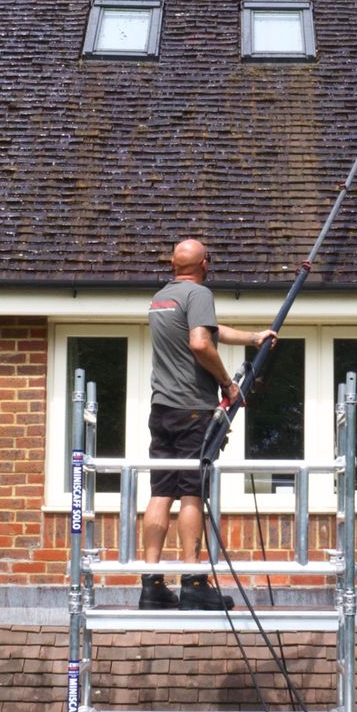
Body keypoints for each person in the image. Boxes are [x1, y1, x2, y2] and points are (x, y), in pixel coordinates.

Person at [140, 238, 275, 610]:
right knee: (192, 494)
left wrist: (252, 337)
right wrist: (227, 384)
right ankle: (194, 582)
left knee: (160, 492)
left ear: (172, 265)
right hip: (193, 411)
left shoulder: (161, 298)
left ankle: (151, 585)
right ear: (206, 264)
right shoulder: (199, 293)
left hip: (162, 410)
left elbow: (207, 330)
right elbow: (201, 343)